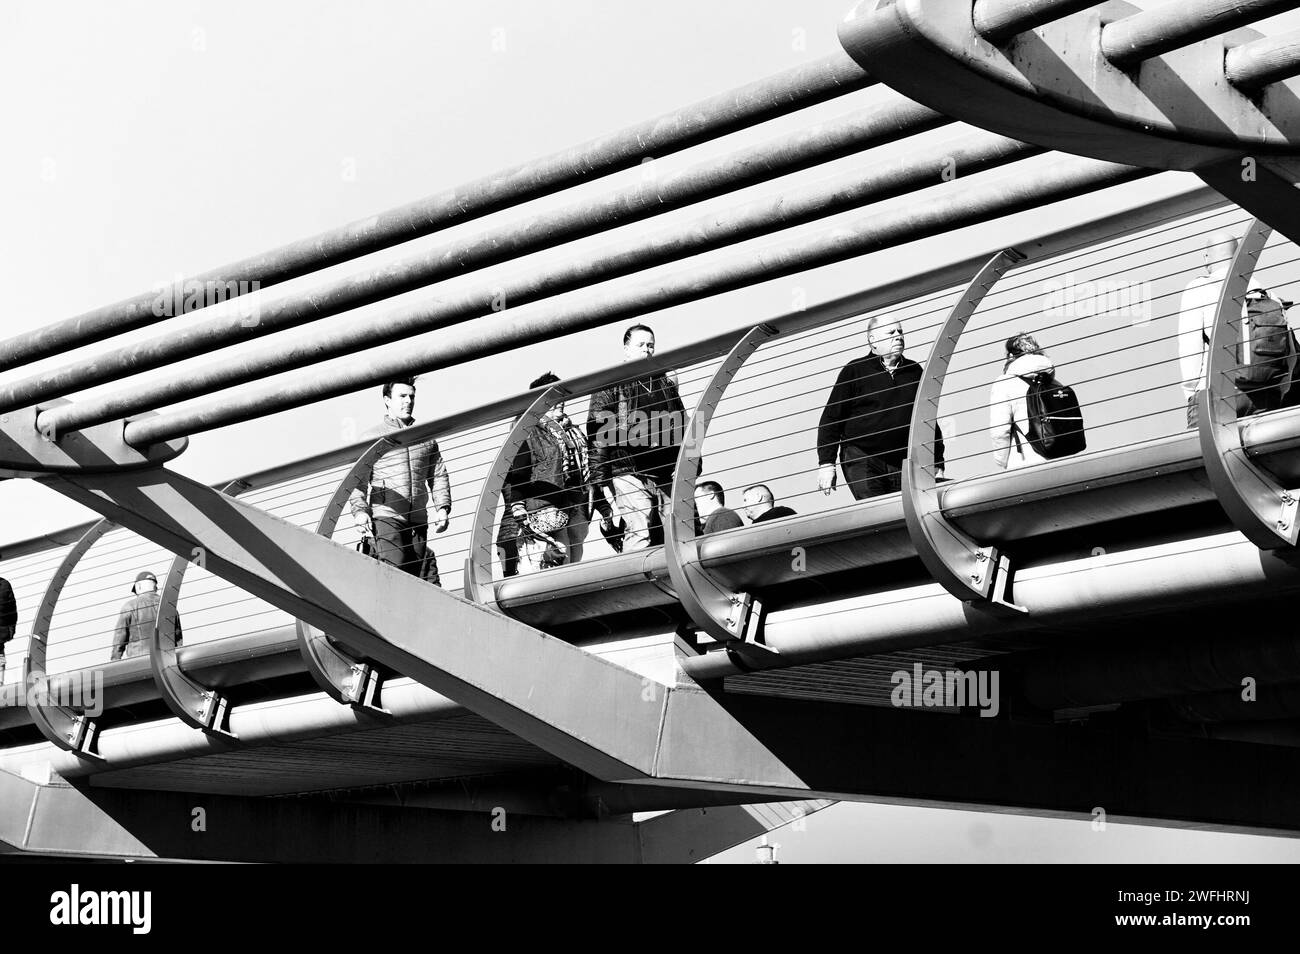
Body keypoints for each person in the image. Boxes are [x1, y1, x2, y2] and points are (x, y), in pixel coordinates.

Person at [817, 317, 945, 500]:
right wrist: (826, 463)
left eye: (900, 332)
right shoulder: (855, 370)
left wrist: (937, 461)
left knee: (905, 514)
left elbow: (927, 419)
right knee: (877, 512)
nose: (898, 337)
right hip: (863, 458)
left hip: (902, 460)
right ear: (873, 340)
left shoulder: (914, 371)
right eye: (891, 333)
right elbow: (831, 418)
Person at [587, 324, 687, 551]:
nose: (647, 350)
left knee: (677, 529)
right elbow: (598, 432)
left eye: (650, 345)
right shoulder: (611, 382)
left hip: (664, 466)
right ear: (626, 349)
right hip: (628, 468)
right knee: (639, 529)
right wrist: (598, 478)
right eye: (640, 345)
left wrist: (692, 459)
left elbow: (682, 420)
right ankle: (638, 580)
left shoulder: (664, 380)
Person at [348, 379, 451, 586]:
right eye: (402, 396)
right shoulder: (373, 437)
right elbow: (357, 480)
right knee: (393, 574)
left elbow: (438, 474)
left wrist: (442, 508)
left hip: (419, 518)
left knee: (416, 580)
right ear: (387, 400)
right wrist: (360, 512)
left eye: (411, 396)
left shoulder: (426, 437)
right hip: (386, 516)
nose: (408, 401)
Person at [505, 373, 607, 573]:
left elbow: (584, 471)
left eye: (561, 395)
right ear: (539, 401)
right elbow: (518, 470)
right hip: (545, 506)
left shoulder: (570, 431)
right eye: (553, 396)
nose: (560, 401)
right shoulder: (527, 429)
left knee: (571, 563)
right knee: (551, 561)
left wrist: (602, 504)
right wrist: (517, 505)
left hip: (575, 504)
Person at [1178, 231, 1238, 429]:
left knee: (1211, 457)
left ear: (1208, 257)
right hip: (1263, 393)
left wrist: (1192, 393)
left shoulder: (1200, 288)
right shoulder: (1264, 292)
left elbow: (1190, 348)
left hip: (1214, 393)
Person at [989, 333, 1058, 470]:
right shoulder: (1053, 381)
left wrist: (1002, 462)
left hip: (1025, 464)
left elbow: (1000, 431)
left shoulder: (1004, 383)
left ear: (1010, 356)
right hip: (1061, 459)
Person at [111, 571, 181, 661]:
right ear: (155, 587)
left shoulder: (130, 607)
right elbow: (178, 640)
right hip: (165, 662)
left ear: (138, 586)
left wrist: (115, 661)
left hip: (139, 663)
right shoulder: (170, 606)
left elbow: (119, 639)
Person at [0, 575, 15, 682]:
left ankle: (1, 682)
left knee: (1, 658)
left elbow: (11, 610)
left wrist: (10, 630)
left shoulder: (4, 585)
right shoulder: (4, 584)